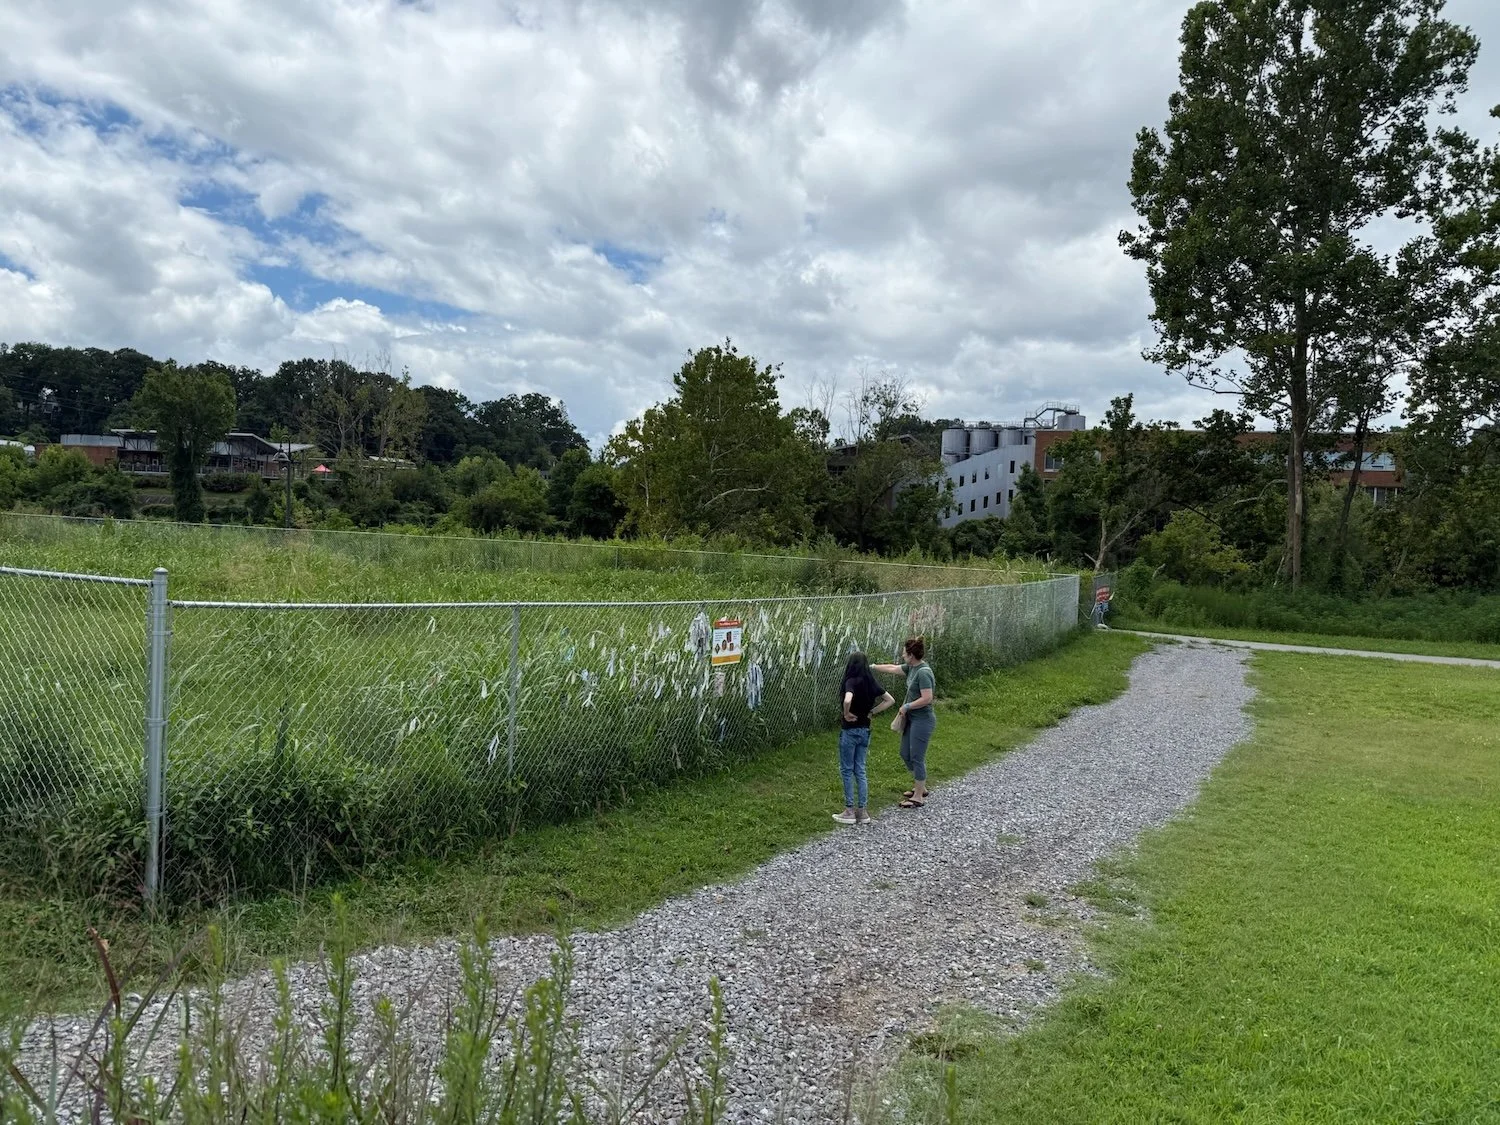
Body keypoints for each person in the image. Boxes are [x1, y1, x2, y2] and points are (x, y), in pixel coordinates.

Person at [833, 652, 894, 825]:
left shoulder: (851, 681)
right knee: (860, 769)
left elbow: (847, 699)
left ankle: (849, 811)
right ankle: (863, 811)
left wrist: (846, 713)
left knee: (847, 769)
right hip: (865, 730)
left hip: (850, 731)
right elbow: (890, 700)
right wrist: (872, 711)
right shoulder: (870, 682)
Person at [874, 636, 936, 809]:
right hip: (911, 718)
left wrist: (907, 706)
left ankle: (918, 796)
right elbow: (893, 668)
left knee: (916, 756)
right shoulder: (911, 668)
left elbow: (927, 698)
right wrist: (872, 667)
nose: (902, 656)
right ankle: (920, 786)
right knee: (905, 753)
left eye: (904, 653)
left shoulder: (923, 672)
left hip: (923, 719)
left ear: (911, 655)